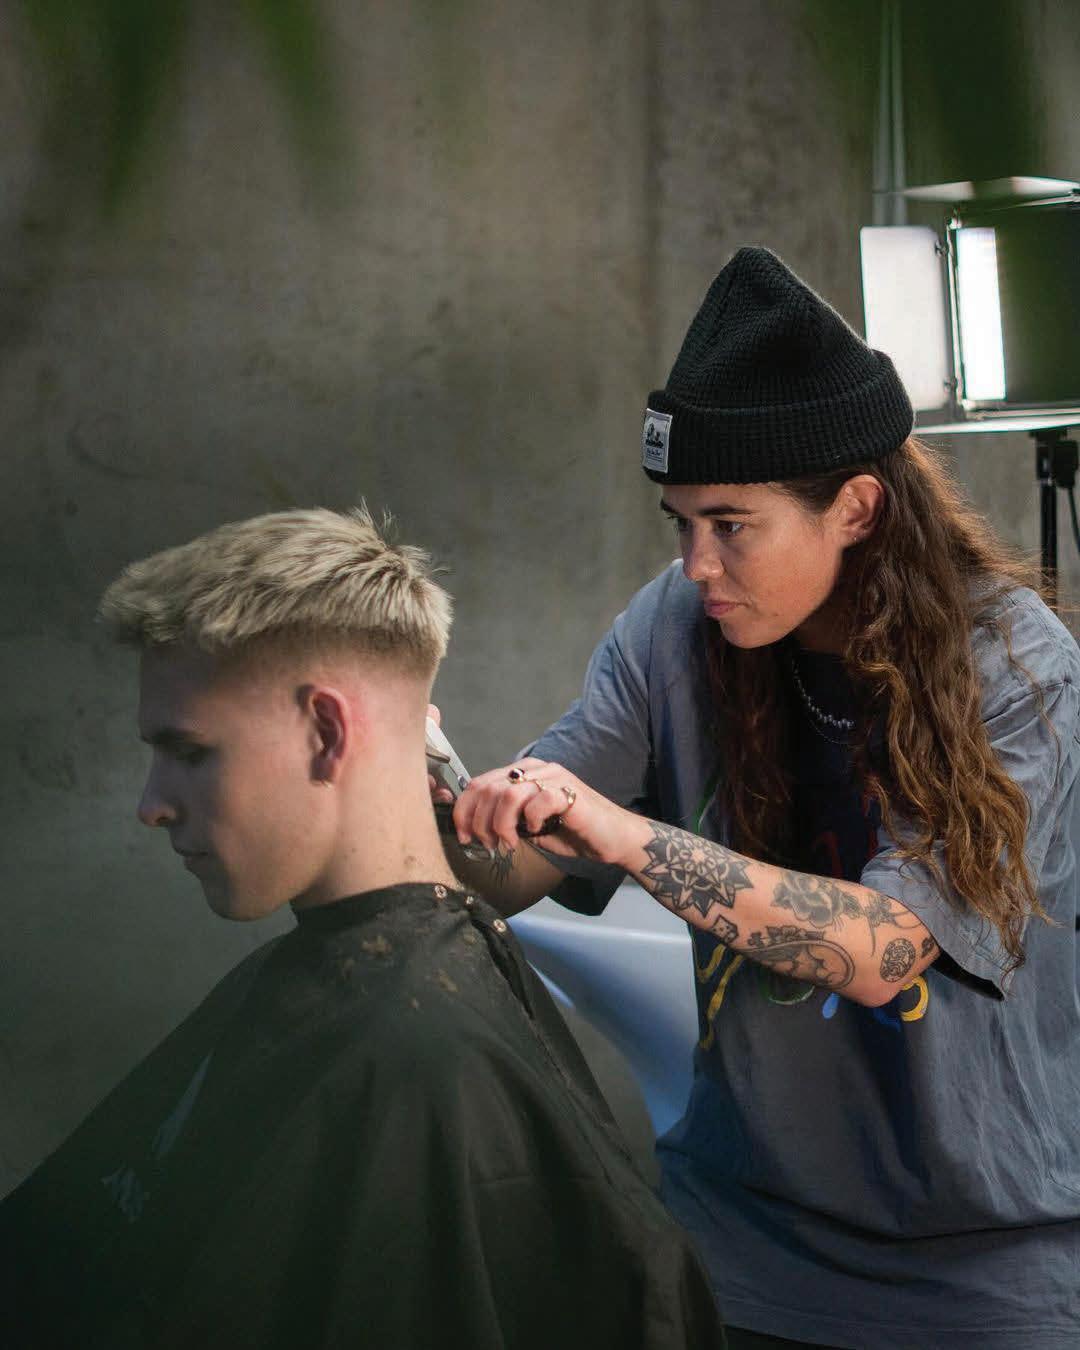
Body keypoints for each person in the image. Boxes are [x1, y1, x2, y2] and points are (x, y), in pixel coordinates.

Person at [439, 249, 1080, 1349]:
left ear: (857, 508)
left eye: (731, 524)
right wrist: (421, 781)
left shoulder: (1015, 663)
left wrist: (626, 835)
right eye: (679, 522)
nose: (697, 564)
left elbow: (883, 949)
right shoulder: (671, 626)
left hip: (984, 1274)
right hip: (740, 1248)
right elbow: (513, 870)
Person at [0, 507, 725, 1350]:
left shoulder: (426, 1059)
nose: (151, 805)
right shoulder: (382, 1008)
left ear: (327, 731)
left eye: (191, 753)